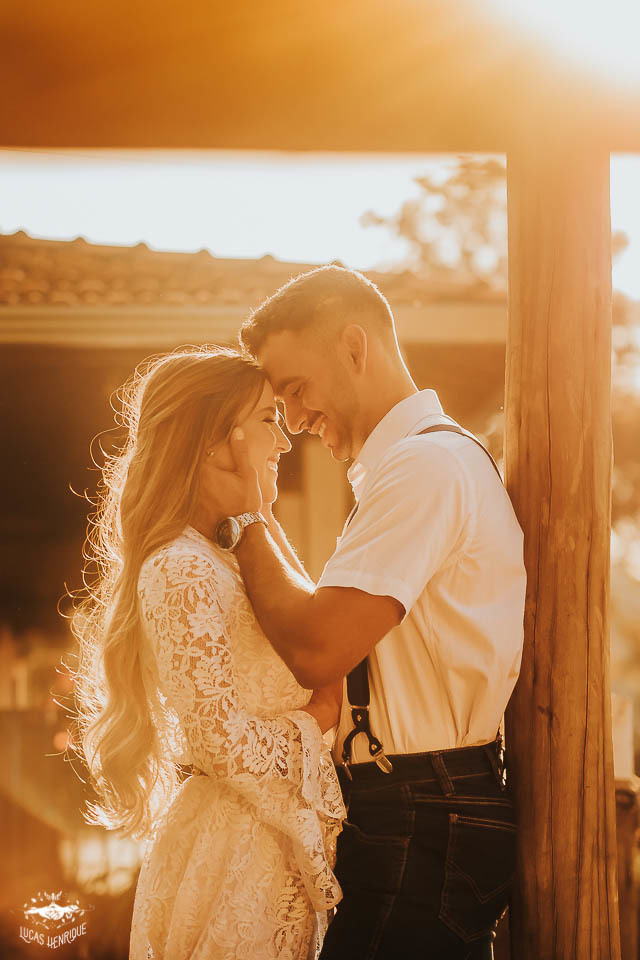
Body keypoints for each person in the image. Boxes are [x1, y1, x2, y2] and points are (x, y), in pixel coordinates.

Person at [204, 266, 527, 959]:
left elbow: (319, 648)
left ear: (356, 347)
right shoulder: (408, 471)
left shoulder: (427, 469)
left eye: (295, 390)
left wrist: (242, 516)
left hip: (424, 810)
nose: (291, 420)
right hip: (418, 805)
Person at [72, 346, 346, 960]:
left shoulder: (226, 556)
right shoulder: (180, 569)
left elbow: (307, 627)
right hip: (236, 857)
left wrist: (259, 515)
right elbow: (219, 739)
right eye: (267, 420)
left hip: (264, 844)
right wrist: (321, 718)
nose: (284, 441)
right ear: (213, 441)